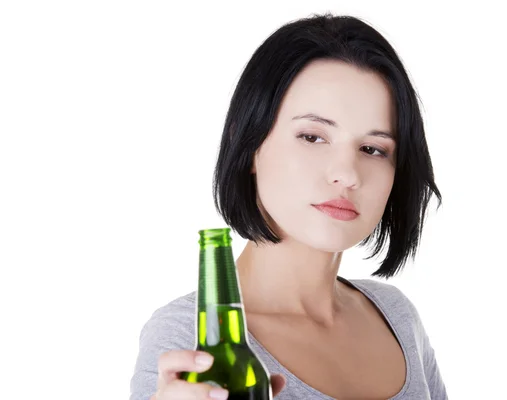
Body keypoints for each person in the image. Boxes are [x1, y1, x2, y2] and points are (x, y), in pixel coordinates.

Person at [130, 12, 447, 400]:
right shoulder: (189, 341)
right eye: (313, 137)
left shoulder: (396, 317)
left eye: (373, 148)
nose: (346, 173)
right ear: (249, 144)